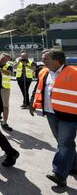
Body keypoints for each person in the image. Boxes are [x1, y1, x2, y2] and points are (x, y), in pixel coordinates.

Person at [30, 49, 77, 188]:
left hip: (69, 115)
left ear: (57, 60)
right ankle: (74, 166)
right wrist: (32, 103)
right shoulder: (44, 72)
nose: (42, 61)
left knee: (64, 143)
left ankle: (59, 174)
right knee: (63, 143)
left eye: (46, 59)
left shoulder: (74, 73)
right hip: (51, 113)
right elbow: (38, 88)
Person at [0, 53, 13, 131]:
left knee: (5, 106)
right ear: (0, 56)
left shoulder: (9, 66)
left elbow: (8, 73)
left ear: (8, 60)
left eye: (6, 59)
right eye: (3, 58)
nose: (3, 60)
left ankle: (5, 123)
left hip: (5, 89)